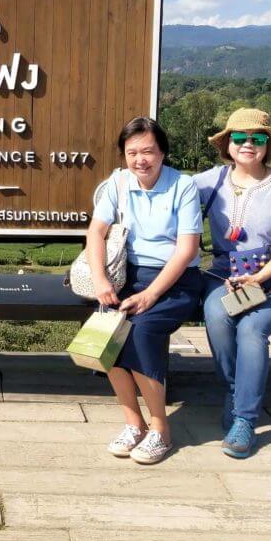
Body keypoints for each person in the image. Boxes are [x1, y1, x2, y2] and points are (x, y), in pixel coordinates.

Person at [195, 108, 271, 458]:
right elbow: (169, 190)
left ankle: (245, 419)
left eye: (257, 138)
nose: (248, 144)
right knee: (216, 315)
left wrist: (260, 277)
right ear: (227, 145)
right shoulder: (211, 181)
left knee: (252, 329)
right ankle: (235, 391)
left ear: (268, 146)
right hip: (226, 278)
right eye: (240, 138)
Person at [85, 116, 203, 465]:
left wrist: (151, 294)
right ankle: (133, 423)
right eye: (132, 152)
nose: (140, 160)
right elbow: (95, 233)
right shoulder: (118, 184)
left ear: (163, 152)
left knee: (141, 331)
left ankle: (160, 429)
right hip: (127, 276)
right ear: (123, 156)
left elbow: (187, 249)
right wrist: (101, 281)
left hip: (175, 280)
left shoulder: (183, 186)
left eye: (148, 151)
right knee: (106, 334)